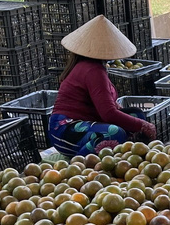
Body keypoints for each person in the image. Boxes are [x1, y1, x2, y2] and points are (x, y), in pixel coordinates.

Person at [49, 15, 157, 157]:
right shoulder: (93, 70)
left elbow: (105, 105)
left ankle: (129, 155)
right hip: (65, 130)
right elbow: (108, 113)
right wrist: (142, 125)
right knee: (115, 133)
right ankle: (80, 163)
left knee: (136, 114)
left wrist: (136, 121)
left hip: (85, 122)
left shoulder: (93, 67)